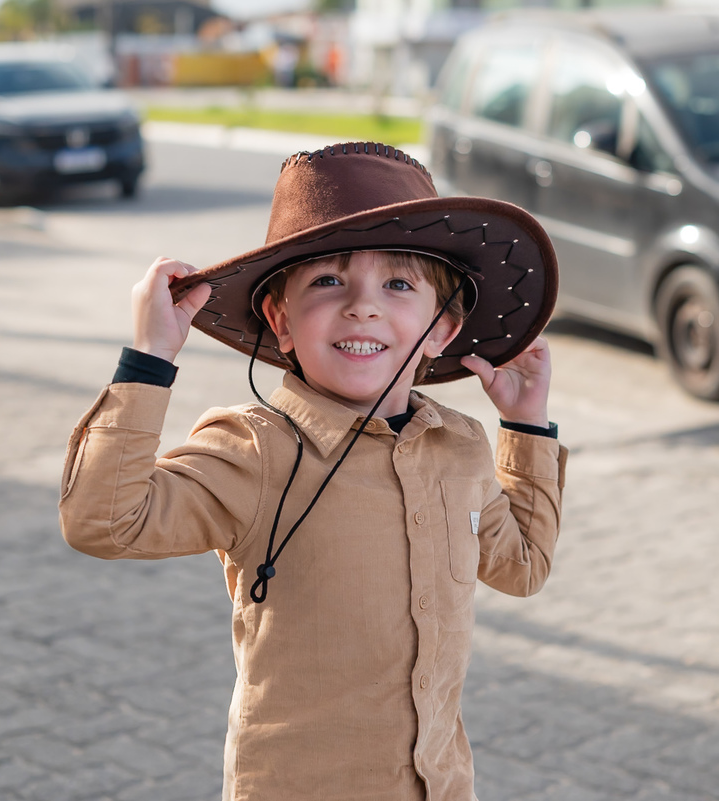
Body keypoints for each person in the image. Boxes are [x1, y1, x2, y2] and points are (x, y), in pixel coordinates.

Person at [59, 142, 568, 800]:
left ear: (443, 326)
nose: (363, 306)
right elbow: (101, 522)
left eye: (399, 283)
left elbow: (523, 566)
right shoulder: (253, 448)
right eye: (328, 281)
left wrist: (526, 426)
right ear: (281, 320)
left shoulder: (461, 445)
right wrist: (150, 356)